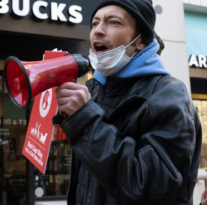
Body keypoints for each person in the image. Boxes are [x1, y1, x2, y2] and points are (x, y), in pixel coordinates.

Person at [53, 0, 202, 204]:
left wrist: (86, 122)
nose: (98, 31)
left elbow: (150, 187)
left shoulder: (168, 94)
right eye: (94, 23)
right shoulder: (95, 90)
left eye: (113, 22)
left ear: (141, 40)